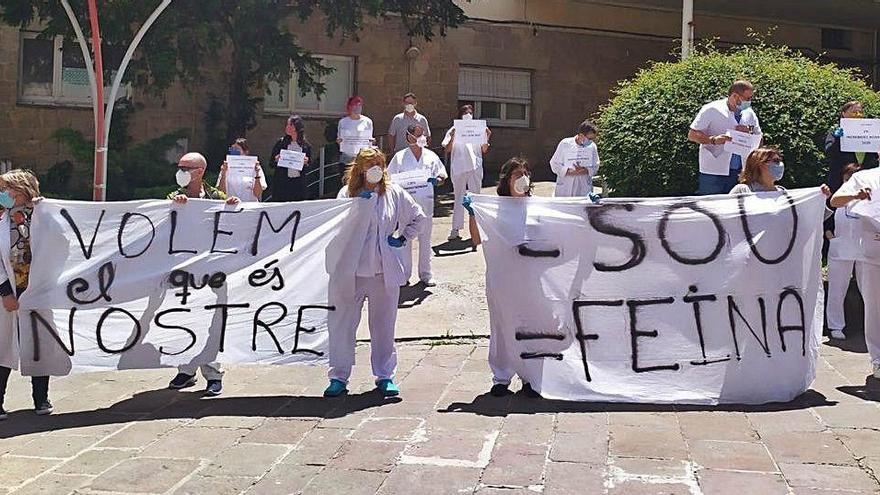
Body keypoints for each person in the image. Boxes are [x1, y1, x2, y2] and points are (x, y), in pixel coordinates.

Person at [325, 148, 427, 398]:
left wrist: (402, 238)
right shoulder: (347, 195)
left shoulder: (393, 193)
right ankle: (339, 376)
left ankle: (384, 375)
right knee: (343, 324)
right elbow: (333, 229)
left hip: (384, 271)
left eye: (379, 164)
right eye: (370, 164)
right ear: (359, 168)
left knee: (384, 326)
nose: (376, 169)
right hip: (352, 272)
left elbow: (419, 217)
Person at [463, 157, 540, 398]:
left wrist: (586, 208)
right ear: (507, 180)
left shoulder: (538, 206)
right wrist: (473, 214)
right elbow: (476, 239)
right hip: (501, 278)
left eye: (526, 173)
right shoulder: (494, 208)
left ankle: (530, 377)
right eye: (517, 174)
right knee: (501, 327)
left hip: (530, 278)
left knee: (530, 326)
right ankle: (501, 377)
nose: (523, 178)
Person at [167, 152, 239, 396]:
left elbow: (235, 222)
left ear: (199, 172)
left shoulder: (216, 197)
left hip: (213, 271)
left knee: (213, 321)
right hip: (184, 271)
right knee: (184, 319)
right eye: (179, 167)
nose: (181, 171)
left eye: (185, 167)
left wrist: (233, 208)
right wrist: (174, 208)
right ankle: (185, 370)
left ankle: (212, 372)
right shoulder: (172, 197)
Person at [0, 169, 52, 417]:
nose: (4, 194)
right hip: (8, 293)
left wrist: (46, 210)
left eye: (9, 189)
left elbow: (63, 243)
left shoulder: (44, 215)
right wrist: (5, 292)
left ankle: (41, 399)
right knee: (3, 347)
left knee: (38, 344)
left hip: (37, 289)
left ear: (23, 191)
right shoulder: (1, 218)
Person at [831, 166, 880, 377]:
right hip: (872, 251)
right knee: (874, 306)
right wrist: (856, 195)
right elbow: (835, 201)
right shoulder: (863, 177)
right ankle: (878, 359)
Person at [387, 124, 447, 286]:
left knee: (425, 240)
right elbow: (389, 180)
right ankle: (404, 274)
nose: (423, 138)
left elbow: (442, 176)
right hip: (406, 207)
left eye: (424, 135)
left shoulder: (431, 156)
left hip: (426, 205)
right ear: (409, 137)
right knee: (405, 240)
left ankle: (425, 274)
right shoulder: (399, 157)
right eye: (419, 135)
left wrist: (438, 181)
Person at [689, 80, 763, 195]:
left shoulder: (749, 112)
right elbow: (692, 134)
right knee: (711, 206)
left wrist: (749, 130)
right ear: (734, 96)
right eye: (747, 99)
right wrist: (712, 140)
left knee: (736, 208)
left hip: (740, 172)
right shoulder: (711, 109)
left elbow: (759, 136)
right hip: (713, 171)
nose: (749, 102)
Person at [826, 163, 864, 340]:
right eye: (847, 177)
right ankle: (835, 325)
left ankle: (871, 325)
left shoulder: (870, 195)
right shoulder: (834, 195)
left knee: (870, 289)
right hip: (840, 247)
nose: (850, 180)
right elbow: (824, 217)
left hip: (864, 248)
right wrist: (829, 235)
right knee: (837, 288)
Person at [443, 104, 491, 241]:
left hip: (475, 167)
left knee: (475, 198)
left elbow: (484, 149)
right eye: (465, 112)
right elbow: (447, 149)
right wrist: (453, 137)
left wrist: (487, 136)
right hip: (459, 168)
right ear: (460, 115)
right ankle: (455, 228)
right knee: (459, 198)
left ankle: (476, 228)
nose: (468, 115)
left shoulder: (478, 129)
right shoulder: (453, 129)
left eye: (470, 112)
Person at [825, 101, 879, 194]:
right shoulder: (835, 132)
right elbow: (829, 152)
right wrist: (837, 139)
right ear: (844, 113)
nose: (858, 115)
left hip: (867, 181)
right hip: (841, 180)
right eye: (854, 112)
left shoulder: (870, 130)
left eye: (860, 112)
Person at [549, 120, 601, 197]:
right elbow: (554, 163)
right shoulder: (565, 143)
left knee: (582, 207)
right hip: (566, 185)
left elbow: (596, 166)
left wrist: (585, 171)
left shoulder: (592, 147)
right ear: (581, 135)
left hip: (583, 185)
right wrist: (568, 171)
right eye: (589, 138)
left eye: (592, 139)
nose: (590, 141)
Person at [269, 115, 312, 202]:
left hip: (298, 184)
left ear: (296, 127)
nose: (287, 127)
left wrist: (306, 162)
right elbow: (271, 163)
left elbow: (309, 166)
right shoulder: (281, 143)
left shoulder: (305, 146)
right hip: (283, 184)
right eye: (287, 125)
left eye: (290, 125)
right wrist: (276, 160)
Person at [217, 138, 267, 203]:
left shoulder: (255, 167)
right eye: (232, 149)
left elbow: (258, 194)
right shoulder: (225, 167)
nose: (233, 151)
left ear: (246, 152)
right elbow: (221, 192)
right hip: (230, 206)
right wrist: (223, 173)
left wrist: (257, 174)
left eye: (237, 149)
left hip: (249, 207)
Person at [337, 96, 375, 165]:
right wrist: (339, 141)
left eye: (359, 105)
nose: (358, 107)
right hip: (347, 157)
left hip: (362, 157)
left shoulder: (367, 121)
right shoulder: (343, 122)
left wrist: (371, 142)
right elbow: (340, 139)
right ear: (350, 106)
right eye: (355, 105)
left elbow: (370, 139)